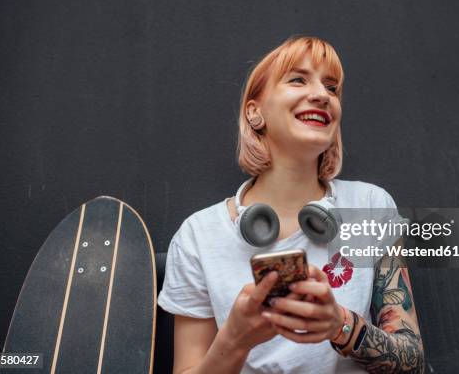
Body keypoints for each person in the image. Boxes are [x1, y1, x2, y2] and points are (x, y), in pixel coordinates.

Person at [158, 36, 424, 373]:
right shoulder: (199, 235)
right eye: (298, 79)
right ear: (255, 113)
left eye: (331, 87)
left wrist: (338, 325)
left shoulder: (369, 205)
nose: (321, 95)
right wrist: (235, 340)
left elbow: (411, 362)